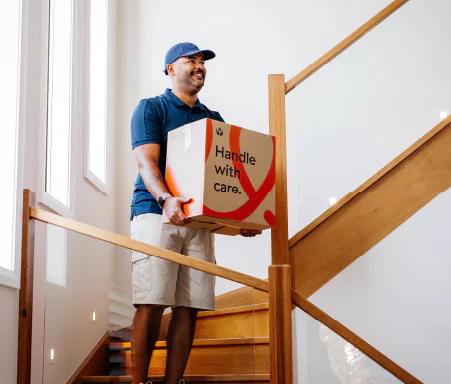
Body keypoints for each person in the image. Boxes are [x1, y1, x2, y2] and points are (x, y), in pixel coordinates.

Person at [129, 42, 262, 384]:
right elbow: (146, 160)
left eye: (203, 62)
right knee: (152, 300)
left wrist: (239, 219)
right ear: (171, 69)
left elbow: (223, 177)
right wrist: (165, 198)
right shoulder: (151, 108)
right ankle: (139, 382)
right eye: (191, 60)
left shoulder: (213, 120)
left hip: (198, 221)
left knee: (190, 305)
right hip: (155, 213)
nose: (199, 66)